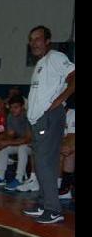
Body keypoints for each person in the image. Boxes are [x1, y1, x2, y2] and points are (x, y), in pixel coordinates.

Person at [21, 25, 75, 223]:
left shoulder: (55, 57)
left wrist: (60, 100)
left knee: (44, 163)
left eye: (38, 39)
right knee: (43, 163)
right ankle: (44, 203)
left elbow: (73, 77)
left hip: (49, 117)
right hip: (39, 119)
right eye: (31, 39)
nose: (34, 43)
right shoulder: (41, 63)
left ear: (47, 41)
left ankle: (53, 209)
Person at [0, 96, 33, 190]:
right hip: (20, 142)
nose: (13, 110)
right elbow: (10, 135)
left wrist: (7, 142)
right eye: (11, 107)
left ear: (22, 107)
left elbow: (27, 139)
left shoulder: (28, 117)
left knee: (22, 148)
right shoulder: (10, 116)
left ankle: (19, 179)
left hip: (34, 145)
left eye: (16, 107)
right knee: (4, 147)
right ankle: (0, 177)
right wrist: (3, 142)